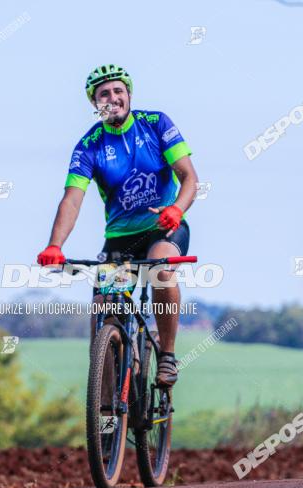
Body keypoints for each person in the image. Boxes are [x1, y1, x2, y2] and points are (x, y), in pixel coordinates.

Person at [36, 64, 199, 386]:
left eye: (118, 91)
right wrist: (55, 245)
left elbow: (190, 178)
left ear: (129, 94)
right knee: (103, 308)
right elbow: (72, 199)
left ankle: (167, 355)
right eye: (104, 94)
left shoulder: (155, 124)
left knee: (161, 271)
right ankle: (110, 405)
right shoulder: (89, 145)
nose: (113, 98)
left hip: (163, 226)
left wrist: (177, 210)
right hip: (120, 238)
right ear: (95, 103)